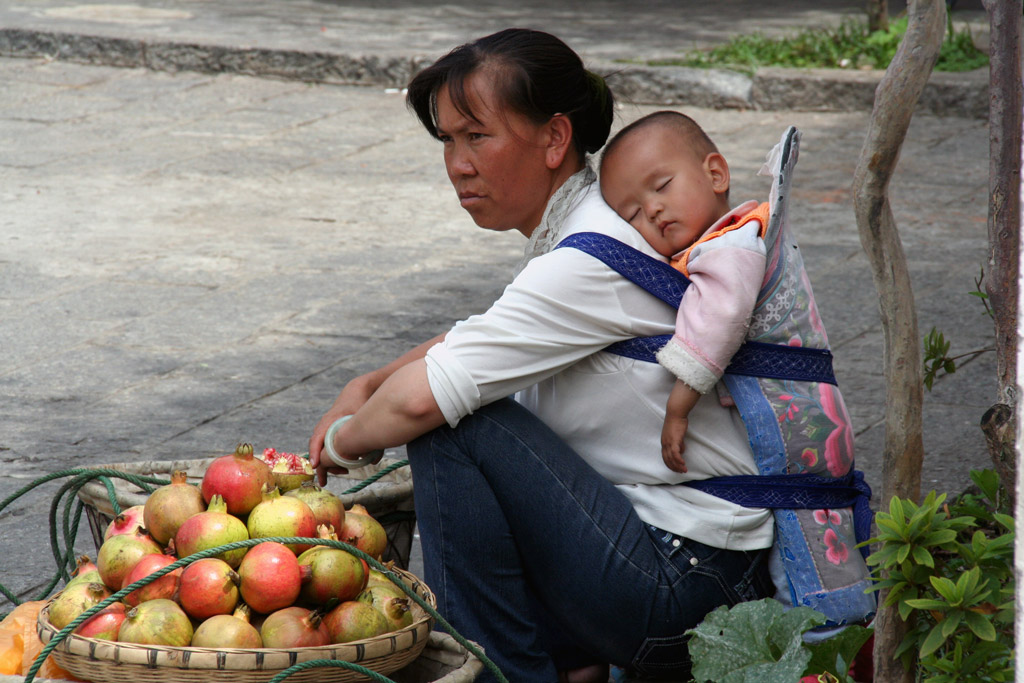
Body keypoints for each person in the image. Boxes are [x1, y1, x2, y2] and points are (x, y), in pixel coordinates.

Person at [309, 29, 774, 683]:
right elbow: (485, 334)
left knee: (449, 423)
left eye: (478, 136)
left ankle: (502, 674)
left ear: (555, 139)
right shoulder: (590, 227)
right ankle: (563, 660)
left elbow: (424, 397)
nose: (458, 163)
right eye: (448, 140)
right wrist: (367, 380)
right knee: (464, 399)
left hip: (690, 582)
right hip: (684, 558)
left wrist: (338, 444)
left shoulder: (588, 253)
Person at [598, 111, 771, 476]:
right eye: (632, 215)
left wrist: (677, 410)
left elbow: (719, 320)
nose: (652, 209)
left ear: (715, 175)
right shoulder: (716, 243)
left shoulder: (731, 247)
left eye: (661, 186)